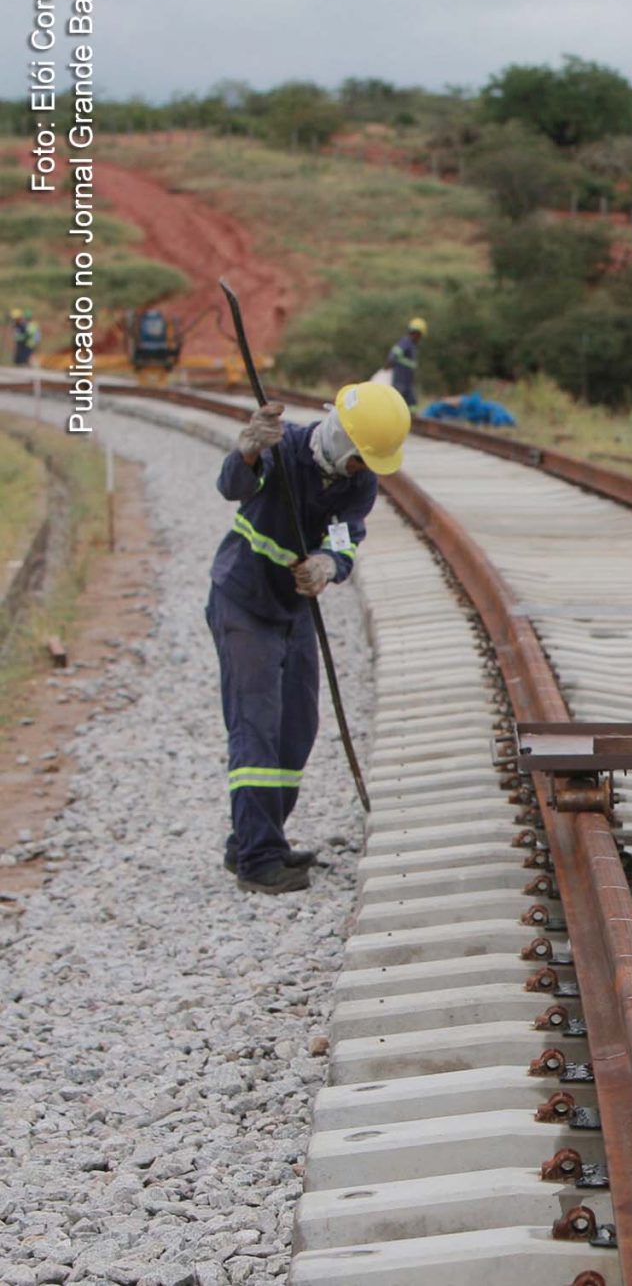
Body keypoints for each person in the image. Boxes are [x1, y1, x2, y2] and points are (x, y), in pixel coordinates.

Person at [207, 384, 410, 893]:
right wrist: (249, 447)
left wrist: (329, 563)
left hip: (294, 609)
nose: (365, 469)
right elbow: (233, 485)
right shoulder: (283, 449)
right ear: (342, 439)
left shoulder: (357, 484)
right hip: (244, 601)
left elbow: (346, 535)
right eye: (362, 458)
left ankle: (257, 837)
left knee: (297, 726)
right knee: (256, 726)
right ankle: (257, 860)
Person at [385, 317, 427, 406]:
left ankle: (413, 419)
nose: (420, 339)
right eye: (420, 336)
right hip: (400, 383)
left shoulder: (412, 346)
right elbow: (392, 357)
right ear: (417, 333)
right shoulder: (405, 342)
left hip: (408, 384)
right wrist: (388, 367)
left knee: (412, 404)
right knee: (397, 404)